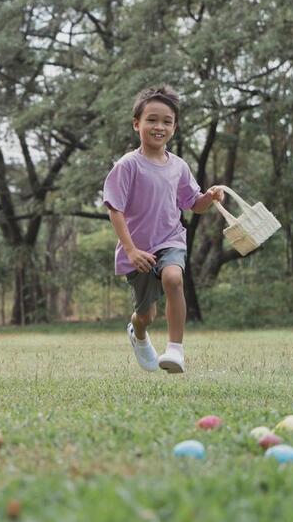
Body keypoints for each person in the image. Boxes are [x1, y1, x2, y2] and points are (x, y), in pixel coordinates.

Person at [103, 85, 224, 374]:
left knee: (173, 278)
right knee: (146, 314)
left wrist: (209, 197)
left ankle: (175, 351)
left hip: (170, 239)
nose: (159, 126)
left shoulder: (179, 167)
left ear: (175, 127)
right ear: (137, 124)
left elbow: (193, 204)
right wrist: (131, 250)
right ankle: (138, 333)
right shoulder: (128, 165)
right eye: (152, 120)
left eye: (167, 121)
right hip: (138, 250)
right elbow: (114, 208)